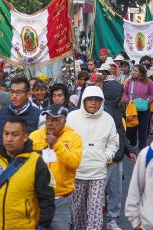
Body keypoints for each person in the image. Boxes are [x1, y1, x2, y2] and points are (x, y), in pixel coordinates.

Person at [0, 117, 55, 230]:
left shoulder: (36, 162)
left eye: (14, 135)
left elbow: (46, 201)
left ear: (25, 137)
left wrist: (43, 226)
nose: (9, 139)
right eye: (6, 134)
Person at [66, 86, 119, 230]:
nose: (93, 103)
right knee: (78, 209)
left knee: (95, 209)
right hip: (78, 171)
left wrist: (106, 156)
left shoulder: (107, 119)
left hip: (98, 172)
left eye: (97, 100)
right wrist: (70, 158)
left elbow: (113, 142)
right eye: (90, 99)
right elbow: (65, 140)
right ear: (83, 100)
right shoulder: (72, 117)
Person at [29, 104, 82, 230]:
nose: (50, 123)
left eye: (54, 120)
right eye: (47, 119)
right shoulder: (34, 136)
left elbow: (74, 163)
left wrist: (56, 145)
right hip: (37, 199)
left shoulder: (74, 138)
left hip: (61, 199)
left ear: (63, 121)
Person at [102, 80, 136, 230]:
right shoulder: (102, 110)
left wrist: (130, 151)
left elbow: (121, 132)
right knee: (101, 190)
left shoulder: (116, 109)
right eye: (122, 93)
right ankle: (103, 219)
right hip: (104, 158)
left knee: (115, 190)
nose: (124, 96)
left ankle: (111, 219)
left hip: (117, 157)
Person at [0, 76, 45, 153]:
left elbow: (42, 146)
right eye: (12, 92)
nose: (14, 96)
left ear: (28, 94)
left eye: (18, 92)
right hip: (4, 161)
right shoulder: (0, 114)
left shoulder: (39, 116)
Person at [123, 64, 153, 150]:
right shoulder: (129, 81)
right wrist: (128, 102)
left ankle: (142, 149)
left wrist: (147, 103)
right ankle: (132, 146)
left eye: (135, 70)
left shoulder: (148, 81)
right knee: (131, 129)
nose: (133, 72)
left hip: (144, 110)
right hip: (131, 110)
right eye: (133, 70)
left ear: (141, 73)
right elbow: (124, 93)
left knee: (143, 129)